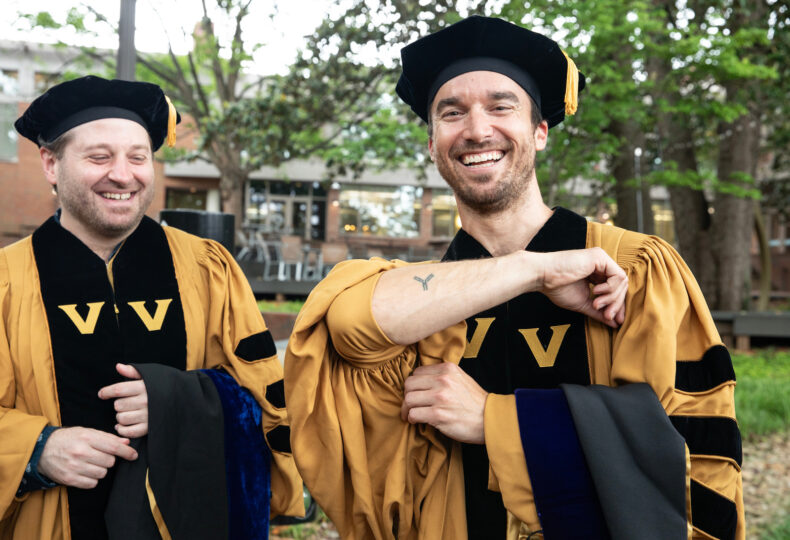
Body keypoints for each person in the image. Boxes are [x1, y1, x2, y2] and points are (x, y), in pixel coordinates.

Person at [285, 16, 743, 540]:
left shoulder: (633, 267)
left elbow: (690, 449)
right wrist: (533, 269)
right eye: (451, 113)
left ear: (539, 131)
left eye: (501, 106)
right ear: (432, 146)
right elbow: (346, 323)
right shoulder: (423, 295)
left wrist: (496, 422)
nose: (478, 129)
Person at [0, 75, 303, 540]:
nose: (123, 174)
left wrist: (175, 402)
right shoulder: (5, 281)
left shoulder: (207, 268)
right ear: (49, 163)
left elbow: (266, 399)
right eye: (99, 156)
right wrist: (36, 450)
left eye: (138, 157)